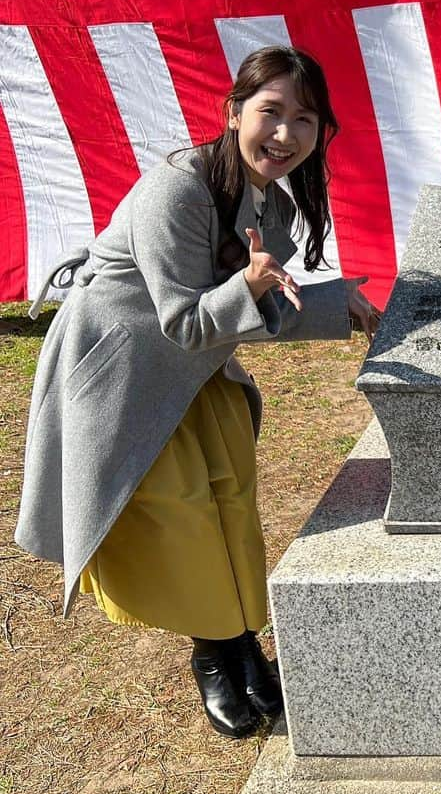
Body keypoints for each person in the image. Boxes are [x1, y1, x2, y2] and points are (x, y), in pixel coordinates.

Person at [16, 46, 381, 739]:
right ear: (234, 111)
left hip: (196, 370)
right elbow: (187, 319)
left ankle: (242, 640)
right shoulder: (178, 189)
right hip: (122, 371)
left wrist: (341, 307)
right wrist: (248, 287)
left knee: (227, 504)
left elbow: (253, 307)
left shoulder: (268, 198)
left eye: (305, 119)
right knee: (178, 520)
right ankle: (212, 655)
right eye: (271, 112)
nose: (286, 134)